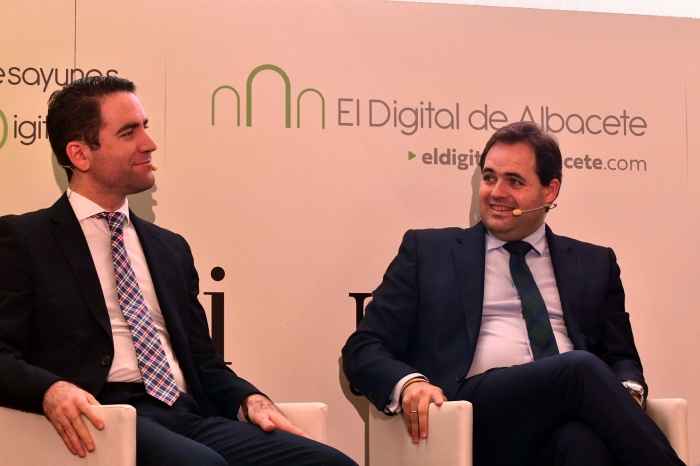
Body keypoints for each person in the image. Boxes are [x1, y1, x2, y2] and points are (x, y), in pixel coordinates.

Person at [0, 76, 356, 466]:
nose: (149, 143)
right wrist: (51, 390)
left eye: (145, 127)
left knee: (329, 463)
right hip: (105, 417)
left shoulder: (170, 248)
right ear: (81, 155)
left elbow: (203, 360)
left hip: (186, 415)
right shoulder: (24, 240)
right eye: (129, 132)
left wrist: (249, 399)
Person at [342, 121, 683, 466]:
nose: (496, 192)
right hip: (472, 417)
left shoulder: (594, 263)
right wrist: (409, 384)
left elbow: (621, 357)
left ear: (550, 191)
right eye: (489, 177)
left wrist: (628, 392)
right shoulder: (429, 252)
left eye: (514, 181)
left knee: (583, 444)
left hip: (561, 423)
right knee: (578, 369)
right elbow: (364, 347)